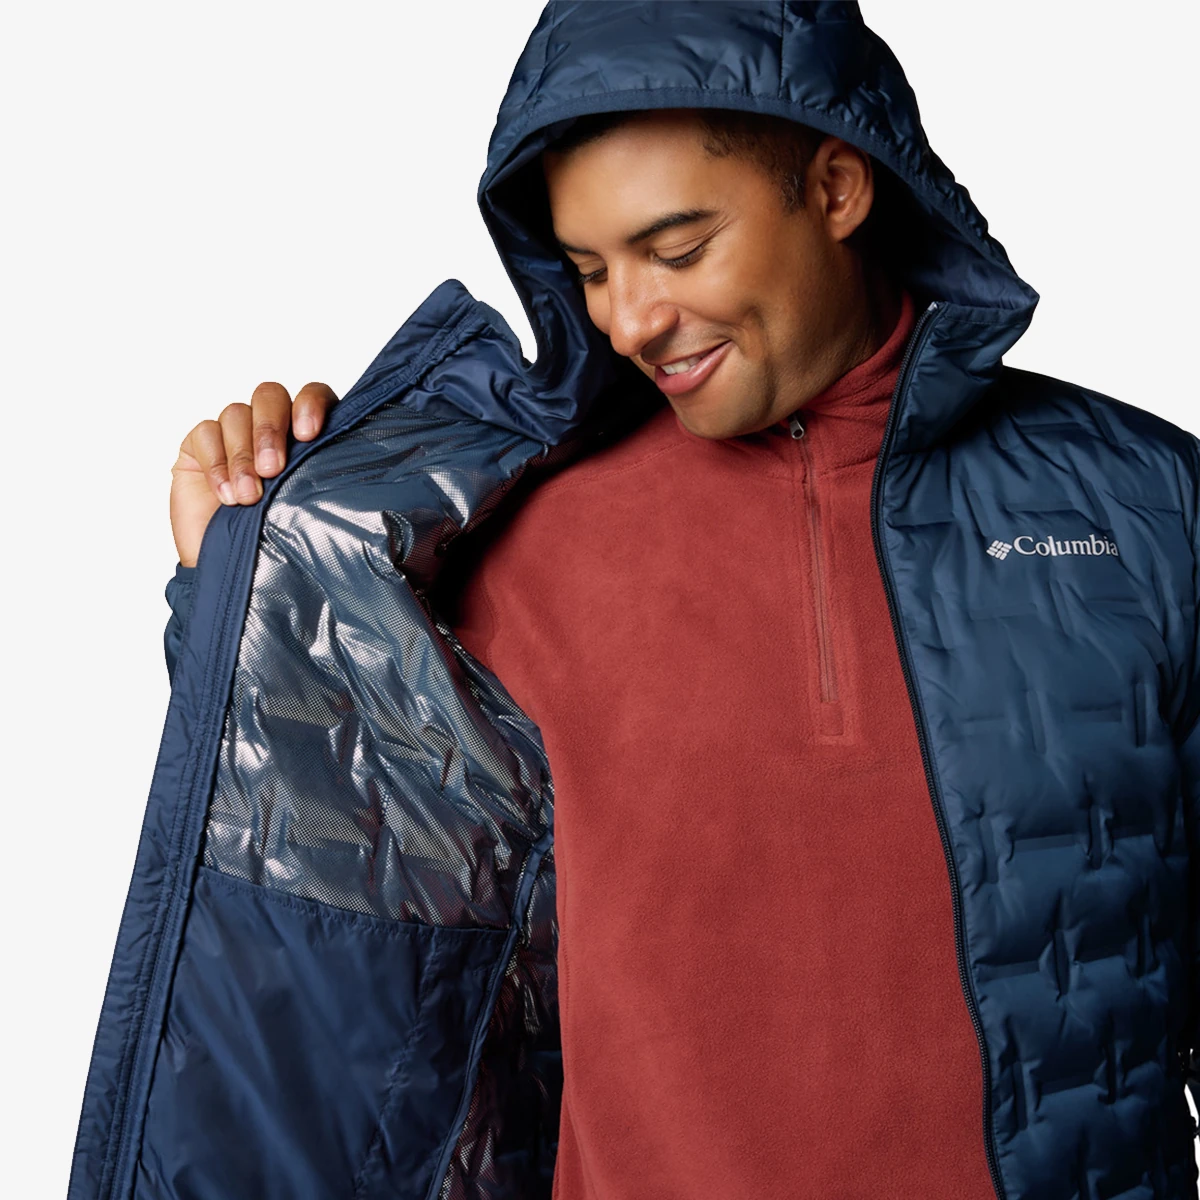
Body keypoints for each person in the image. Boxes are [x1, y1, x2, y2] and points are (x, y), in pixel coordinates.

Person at [69, 4, 1200, 1200]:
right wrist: (243, 581)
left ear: (836, 187)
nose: (629, 320)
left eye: (677, 247)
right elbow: (327, 910)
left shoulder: (1146, 507)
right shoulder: (507, 536)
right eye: (592, 270)